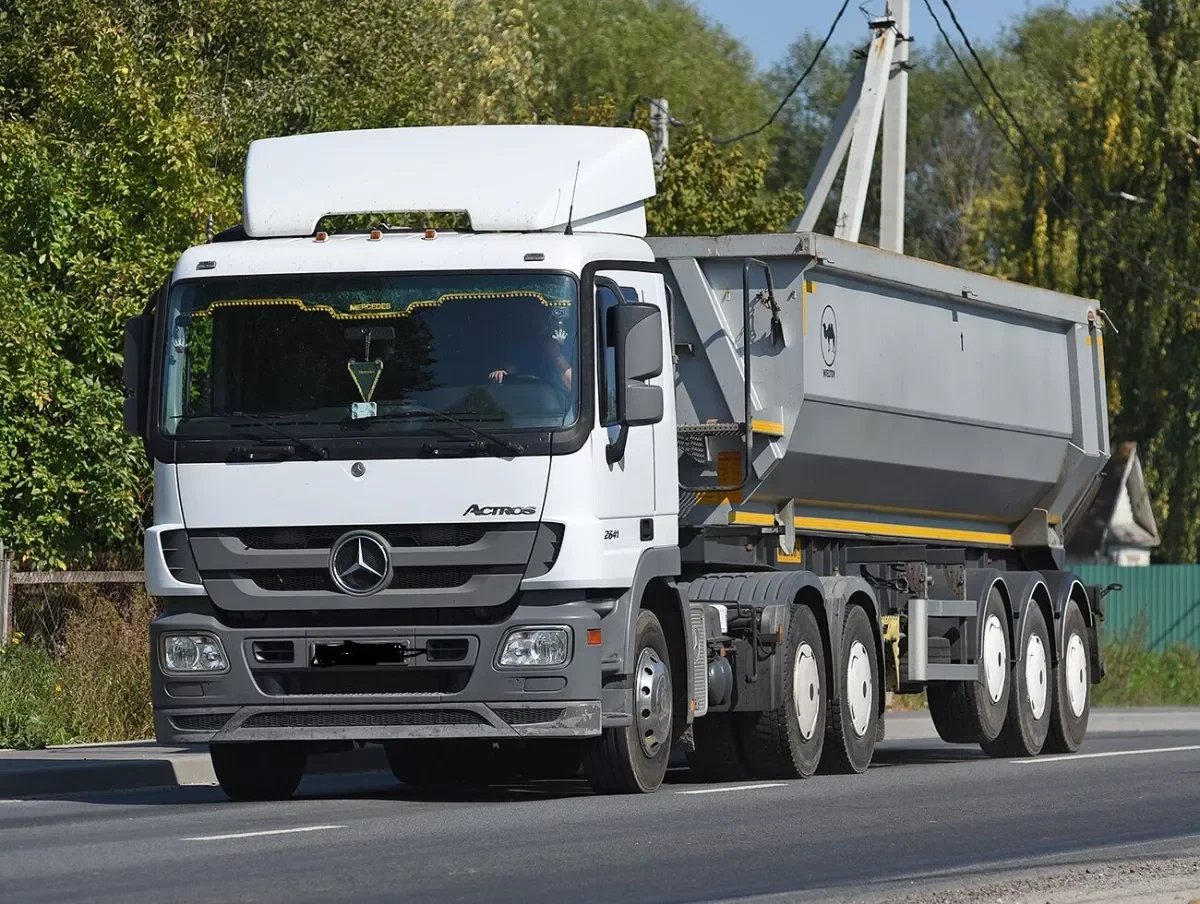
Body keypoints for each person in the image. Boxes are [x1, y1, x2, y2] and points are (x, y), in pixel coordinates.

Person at [488, 304, 575, 391]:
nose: (557, 325)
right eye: (550, 320)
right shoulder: (525, 349)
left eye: (560, 320)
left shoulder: (575, 346)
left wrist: (557, 356)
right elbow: (510, 371)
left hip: (562, 402)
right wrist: (501, 374)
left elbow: (577, 389)